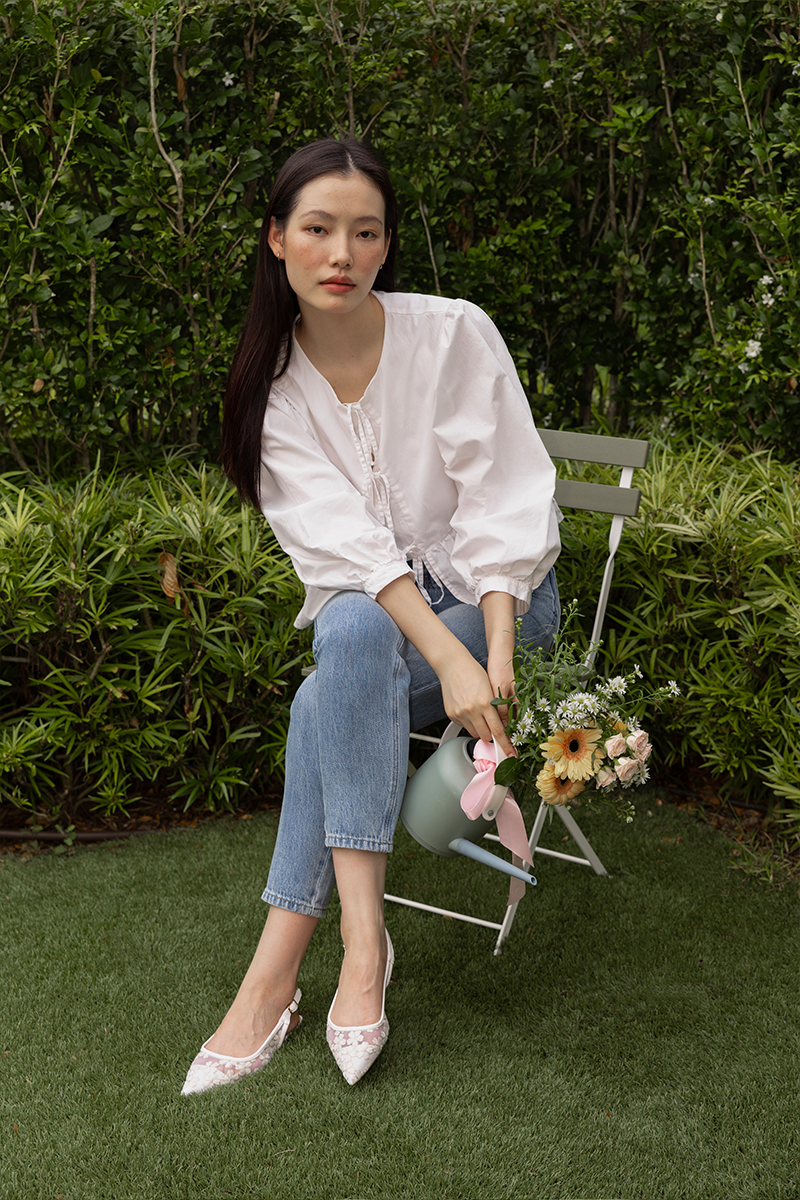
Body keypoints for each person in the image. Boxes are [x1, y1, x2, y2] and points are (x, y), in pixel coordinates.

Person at [181, 138, 561, 1094]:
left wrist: (495, 654)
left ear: (387, 246)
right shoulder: (270, 393)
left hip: (502, 603)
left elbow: (505, 499)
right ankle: (361, 944)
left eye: (364, 231)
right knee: (351, 633)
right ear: (277, 240)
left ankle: (273, 978)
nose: (340, 252)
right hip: (396, 625)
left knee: (326, 698)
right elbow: (348, 550)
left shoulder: (453, 332)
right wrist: (445, 659)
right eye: (317, 229)